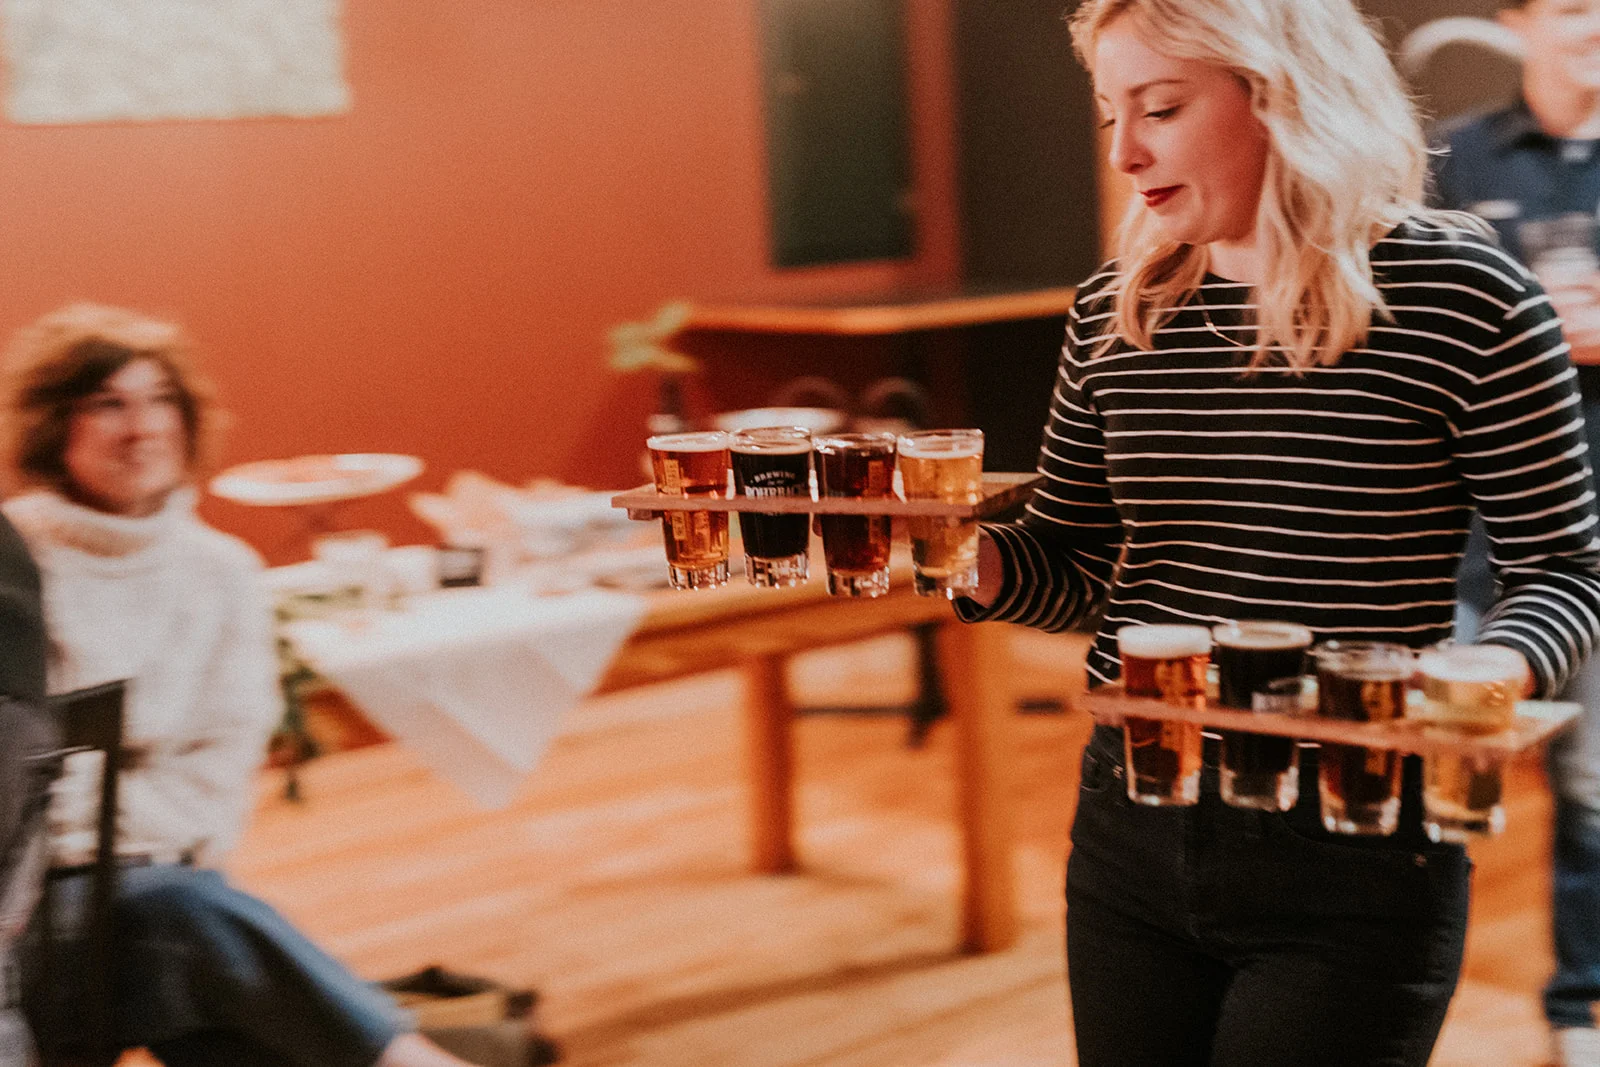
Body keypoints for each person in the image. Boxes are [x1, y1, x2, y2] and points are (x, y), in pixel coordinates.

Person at [954, 0, 1600, 1063]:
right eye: (1111, 111)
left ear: (1282, 96)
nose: (1125, 151)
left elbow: (1564, 570)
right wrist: (959, 558)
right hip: (1132, 819)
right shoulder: (1117, 310)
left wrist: (1488, 665)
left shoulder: (1464, 297)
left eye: (1159, 107)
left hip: (1355, 841)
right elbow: (1072, 567)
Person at [0, 303, 479, 1067]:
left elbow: (219, 775)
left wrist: (116, 839)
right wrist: (115, 841)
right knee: (189, 929)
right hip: (22, 911)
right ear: (55, 424)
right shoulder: (12, 564)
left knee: (203, 973)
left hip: (153, 890)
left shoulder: (222, 573)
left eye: (161, 400)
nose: (142, 427)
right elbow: (14, 789)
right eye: (108, 403)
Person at [1430, 3, 1600, 1063]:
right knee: (1434, 779)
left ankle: (1575, 1009)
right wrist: (1516, 328)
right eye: (1575, 7)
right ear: (1516, 22)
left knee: (1589, 788)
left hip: (1590, 541)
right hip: (1456, 532)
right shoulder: (1448, 159)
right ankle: (1395, 996)